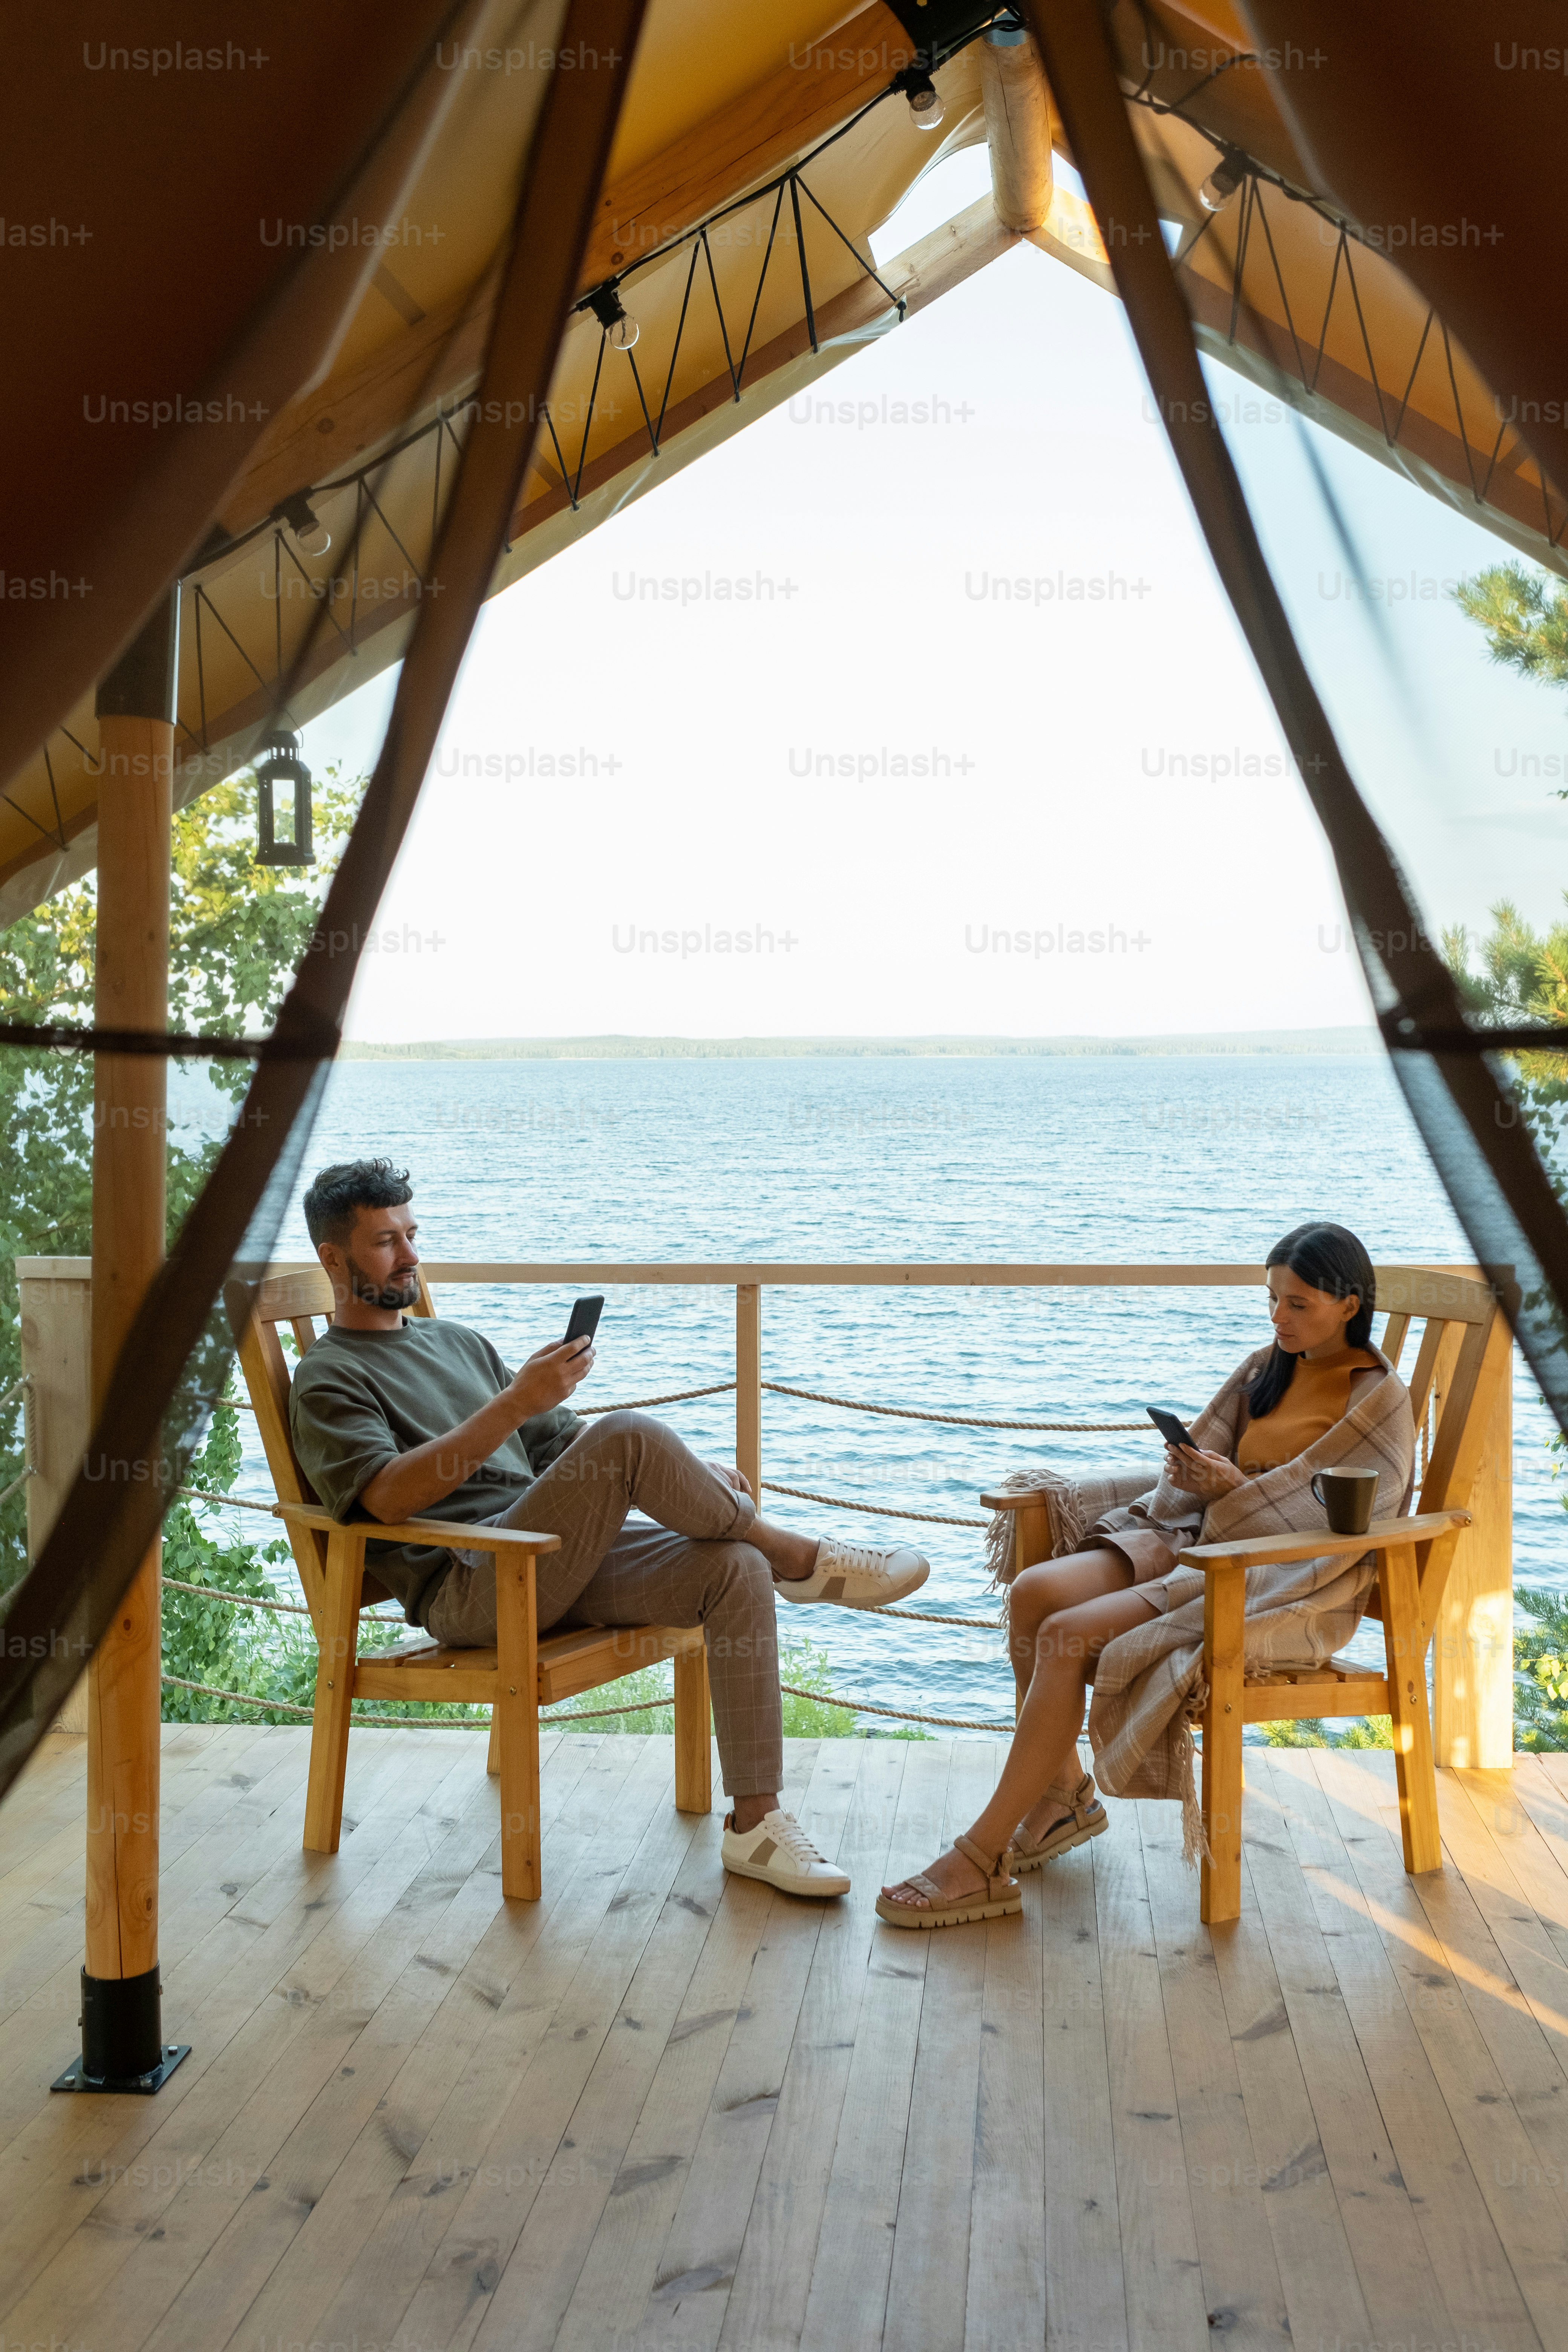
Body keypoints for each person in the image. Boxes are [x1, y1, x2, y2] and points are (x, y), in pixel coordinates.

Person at [288, 1159, 929, 1901]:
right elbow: (387, 1498)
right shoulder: (327, 1378)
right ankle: (801, 1558)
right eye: (384, 1243)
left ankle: (755, 1822)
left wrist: (691, 1475)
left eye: (412, 1235)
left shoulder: (457, 1343)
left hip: (548, 1558)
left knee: (732, 1567)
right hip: (473, 1585)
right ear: (334, 1259)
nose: (410, 1257)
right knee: (634, 1438)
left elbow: (563, 1448)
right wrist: (514, 1404)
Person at [877, 1221, 1415, 1928]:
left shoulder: (1379, 1400)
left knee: (1067, 1635)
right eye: (1272, 1299)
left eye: (1299, 1304)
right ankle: (1064, 1797)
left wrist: (1231, 1492)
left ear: (1350, 1304)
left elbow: (1347, 1520)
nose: (1279, 1317)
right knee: (1036, 1590)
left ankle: (980, 1857)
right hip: (1196, 1532)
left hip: (1269, 1576)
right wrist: (1195, 1474)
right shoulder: (1266, 1367)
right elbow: (1212, 1463)